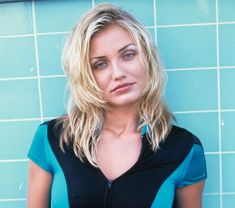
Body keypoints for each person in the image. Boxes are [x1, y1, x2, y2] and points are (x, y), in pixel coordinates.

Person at [27, 3, 207, 208]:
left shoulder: (184, 149)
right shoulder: (51, 139)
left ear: (147, 57)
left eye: (128, 54)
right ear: (86, 75)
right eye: (100, 64)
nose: (118, 72)